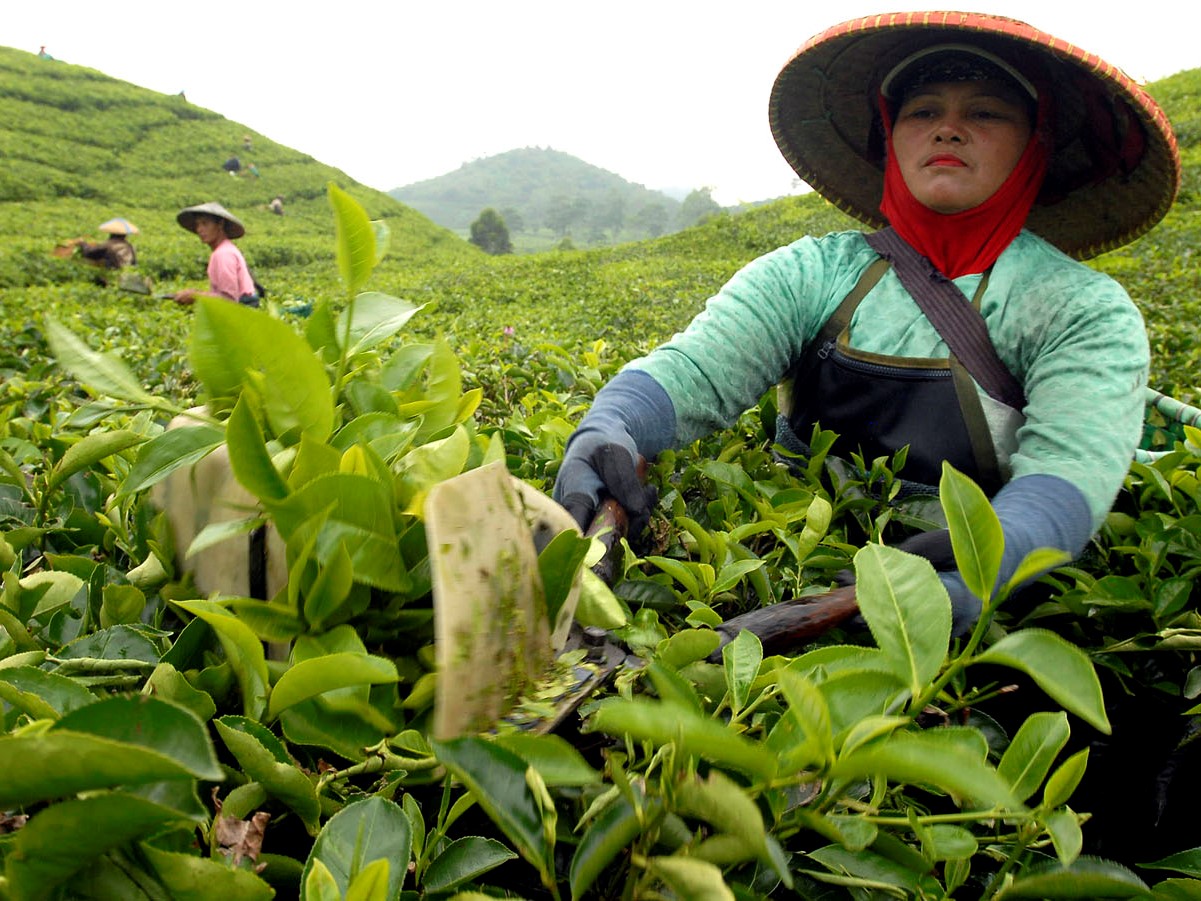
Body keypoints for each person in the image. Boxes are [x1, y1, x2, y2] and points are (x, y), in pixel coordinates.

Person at [553, 11, 1180, 637]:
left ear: (1033, 145)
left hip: (957, 607)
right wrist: (611, 425)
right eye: (923, 111)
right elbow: (695, 371)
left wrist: (986, 563)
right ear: (892, 137)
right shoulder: (812, 272)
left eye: (986, 113)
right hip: (787, 559)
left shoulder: (1079, 309)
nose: (950, 130)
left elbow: (1065, 479)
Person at [172, 202, 260, 308]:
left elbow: (229, 300)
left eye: (205, 223)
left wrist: (195, 296)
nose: (199, 229)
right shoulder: (226, 248)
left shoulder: (223, 254)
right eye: (197, 225)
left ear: (220, 224)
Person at [70, 217, 138, 270]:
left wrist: (83, 243)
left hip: (111, 270)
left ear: (112, 233)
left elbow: (88, 253)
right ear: (125, 235)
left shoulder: (108, 245)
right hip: (125, 272)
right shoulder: (130, 246)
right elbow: (134, 264)